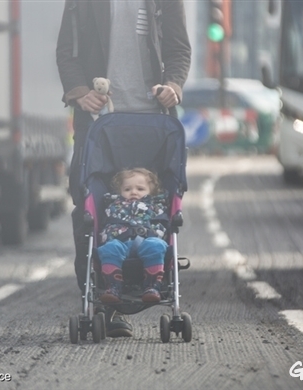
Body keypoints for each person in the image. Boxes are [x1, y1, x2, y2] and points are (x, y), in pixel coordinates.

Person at [56, 0, 191, 338]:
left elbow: (178, 49)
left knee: (157, 203)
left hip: (153, 124)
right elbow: (66, 52)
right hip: (100, 122)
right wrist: (79, 93)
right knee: (89, 204)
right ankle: (103, 303)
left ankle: (153, 280)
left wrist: (174, 86)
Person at [98, 168, 168, 304]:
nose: (133, 192)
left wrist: (155, 234)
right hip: (120, 241)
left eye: (140, 189)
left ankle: (152, 286)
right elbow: (107, 225)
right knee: (109, 248)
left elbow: (162, 225)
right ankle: (113, 287)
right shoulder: (113, 205)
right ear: (120, 192)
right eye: (127, 189)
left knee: (156, 246)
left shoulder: (156, 206)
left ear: (151, 192)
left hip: (147, 240)